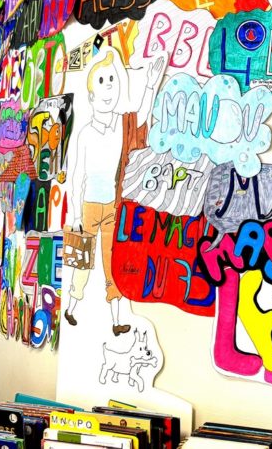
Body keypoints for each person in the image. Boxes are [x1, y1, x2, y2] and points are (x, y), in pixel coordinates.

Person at [64, 49, 166, 335]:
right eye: (102, 81)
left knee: (113, 261)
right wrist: (75, 215)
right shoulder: (85, 134)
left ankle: (117, 319)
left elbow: (141, 118)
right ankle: (71, 307)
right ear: (91, 96)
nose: (108, 87)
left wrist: (150, 85)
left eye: (112, 80)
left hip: (113, 206)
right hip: (89, 206)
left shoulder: (122, 125)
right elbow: (77, 176)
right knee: (81, 262)